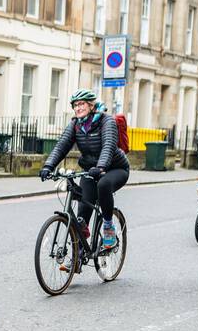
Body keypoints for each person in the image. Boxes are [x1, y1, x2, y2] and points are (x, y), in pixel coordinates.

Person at [39, 90, 131, 250]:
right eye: (75, 105)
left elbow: (108, 145)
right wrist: (48, 166)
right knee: (83, 208)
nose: (78, 108)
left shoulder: (106, 121)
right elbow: (62, 146)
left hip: (116, 168)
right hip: (90, 170)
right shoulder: (75, 125)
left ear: (91, 105)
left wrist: (101, 166)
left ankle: (108, 227)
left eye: (81, 104)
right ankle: (79, 250)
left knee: (103, 185)